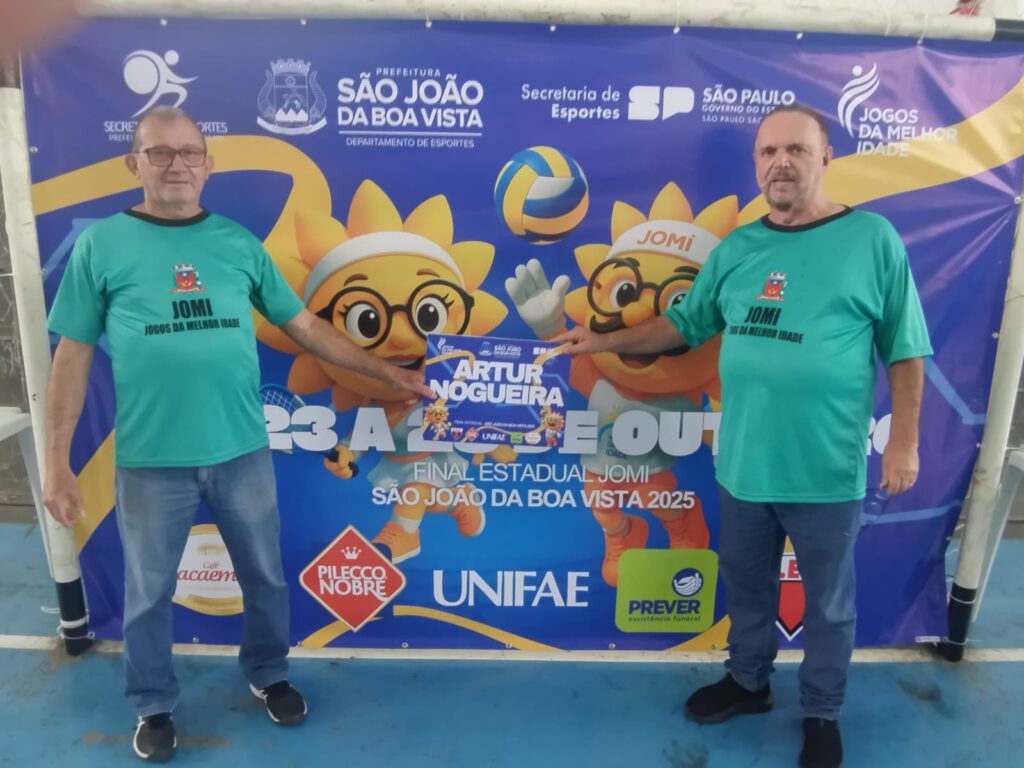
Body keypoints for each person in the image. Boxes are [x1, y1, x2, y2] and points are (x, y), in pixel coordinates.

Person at [41, 106, 433, 763]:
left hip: (242, 452)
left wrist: (390, 374)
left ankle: (268, 673)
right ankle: (153, 703)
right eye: (160, 153)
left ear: (209, 165)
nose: (177, 165)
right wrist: (56, 461)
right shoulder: (101, 246)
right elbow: (72, 356)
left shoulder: (238, 243)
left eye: (189, 152)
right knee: (148, 595)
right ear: (133, 164)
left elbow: (306, 328)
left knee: (265, 579)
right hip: (150, 461)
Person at [554, 104, 932, 768]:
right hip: (742, 467)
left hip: (825, 471)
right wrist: (603, 340)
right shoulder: (736, 249)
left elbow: (905, 350)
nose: (781, 163)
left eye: (796, 150)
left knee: (828, 606)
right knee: (748, 587)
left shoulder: (872, 240)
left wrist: (904, 442)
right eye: (768, 152)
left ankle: (821, 711)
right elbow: (683, 325)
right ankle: (749, 682)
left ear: (825, 158)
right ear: (757, 164)